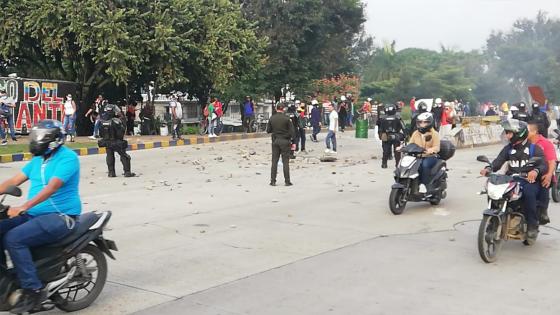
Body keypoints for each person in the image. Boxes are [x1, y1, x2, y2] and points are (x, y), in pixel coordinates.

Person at [0, 119, 80, 313]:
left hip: (61, 216)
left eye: (40, 137)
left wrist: (24, 206)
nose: (36, 140)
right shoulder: (38, 159)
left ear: (54, 140)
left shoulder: (67, 158)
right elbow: (14, 180)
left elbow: (52, 187)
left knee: (14, 238)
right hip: (34, 215)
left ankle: (33, 290)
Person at [479, 119, 546, 241]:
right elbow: (498, 161)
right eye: (506, 133)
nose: (507, 135)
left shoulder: (533, 148)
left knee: (529, 193)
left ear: (518, 134)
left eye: (509, 133)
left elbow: (543, 164)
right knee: (493, 189)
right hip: (512, 179)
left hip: (528, 181)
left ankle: (532, 225)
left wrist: (535, 171)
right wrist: (489, 168)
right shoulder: (508, 149)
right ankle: (492, 220)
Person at [527, 122, 556, 225]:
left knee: (543, 181)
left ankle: (543, 210)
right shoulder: (523, 143)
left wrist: (549, 175)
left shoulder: (545, 143)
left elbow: (552, 161)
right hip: (526, 173)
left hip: (543, 172)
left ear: (534, 131)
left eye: (528, 130)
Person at [98, 103, 135, 177]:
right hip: (116, 142)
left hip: (107, 142)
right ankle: (127, 172)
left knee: (109, 155)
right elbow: (121, 133)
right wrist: (123, 119)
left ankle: (111, 173)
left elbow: (101, 134)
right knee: (125, 156)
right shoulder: (116, 121)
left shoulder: (102, 122)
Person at [409, 113, 440, 194]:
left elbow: (437, 147)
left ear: (430, 122)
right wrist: (402, 148)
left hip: (430, 156)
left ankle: (424, 184)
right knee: (409, 165)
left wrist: (430, 150)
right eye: (420, 122)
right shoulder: (416, 133)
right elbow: (410, 144)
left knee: (424, 165)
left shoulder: (434, 134)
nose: (422, 124)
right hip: (417, 156)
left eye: (425, 122)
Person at [267, 102, 295, 186]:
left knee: (274, 161)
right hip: (285, 141)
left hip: (275, 141)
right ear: (283, 109)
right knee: (285, 162)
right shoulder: (287, 119)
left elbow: (268, 130)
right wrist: (293, 142)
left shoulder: (272, 118)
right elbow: (292, 132)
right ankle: (287, 181)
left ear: (276, 108)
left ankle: (273, 181)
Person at [377, 104, 406, 168]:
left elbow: (379, 127)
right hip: (396, 135)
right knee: (397, 151)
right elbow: (403, 127)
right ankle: (397, 164)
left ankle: (384, 164)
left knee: (386, 151)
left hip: (386, 135)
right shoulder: (398, 117)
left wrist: (380, 135)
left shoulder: (382, 118)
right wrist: (406, 135)